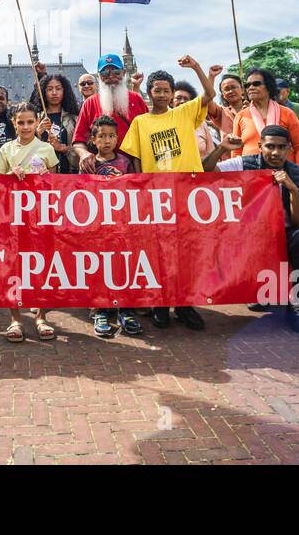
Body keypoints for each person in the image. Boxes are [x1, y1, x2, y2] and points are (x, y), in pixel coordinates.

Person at [120, 56, 217, 331]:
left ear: (172, 93)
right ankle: (161, 303)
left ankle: (185, 304)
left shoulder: (184, 112)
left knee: (187, 251)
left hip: (187, 195)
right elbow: (136, 158)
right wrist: (142, 187)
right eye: (157, 90)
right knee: (160, 252)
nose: (161, 94)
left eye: (166, 90)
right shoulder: (140, 121)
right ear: (149, 93)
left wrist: (197, 67)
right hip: (157, 197)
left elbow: (210, 93)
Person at [205, 125, 299, 334]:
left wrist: (293, 190)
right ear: (260, 146)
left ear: (289, 150)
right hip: (250, 235)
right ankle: (260, 292)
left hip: (285, 233)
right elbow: (206, 171)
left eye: (281, 147)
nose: (275, 153)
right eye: (270, 146)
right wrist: (221, 148)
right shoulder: (244, 163)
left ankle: (297, 303)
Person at [0, 103, 60, 342]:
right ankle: (16, 318)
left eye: (30, 122)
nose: (25, 126)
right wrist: (11, 176)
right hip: (13, 217)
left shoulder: (46, 148)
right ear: (14, 123)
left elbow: (56, 184)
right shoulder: (5, 150)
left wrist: (44, 179)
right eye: (20, 122)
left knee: (41, 264)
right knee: (13, 266)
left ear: (37, 122)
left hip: (40, 217)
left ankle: (41, 317)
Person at [82, 115, 141, 339]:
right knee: (100, 267)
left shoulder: (125, 163)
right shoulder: (88, 164)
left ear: (117, 138)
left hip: (121, 226)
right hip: (97, 227)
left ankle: (126, 309)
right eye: (102, 136)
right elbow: (81, 193)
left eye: (111, 136)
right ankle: (101, 310)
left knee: (123, 265)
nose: (107, 140)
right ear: (93, 140)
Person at [71, 53, 149, 171]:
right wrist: (83, 154)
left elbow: (148, 135)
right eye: (105, 73)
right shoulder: (90, 103)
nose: (111, 76)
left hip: (134, 169)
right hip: (100, 170)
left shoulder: (137, 100)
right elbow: (78, 141)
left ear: (123, 73)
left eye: (116, 72)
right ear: (98, 76)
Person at [228, 68, 299, 165]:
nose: (251, 87)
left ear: (269, 87)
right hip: (250, 175)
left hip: (283, 174)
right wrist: (239, 176)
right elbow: (236, 150)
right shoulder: (241, 116)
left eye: (256, 84)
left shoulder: (287, 113)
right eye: (247, 85)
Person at [29, 64, 81, 173]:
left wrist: (63, 148)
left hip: (70, 176)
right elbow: (24, 149)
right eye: (49, 89)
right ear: (44, 92)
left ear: (64, 91)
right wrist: (37, 133)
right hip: (42, 175)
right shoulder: (37, 118)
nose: (54, 93)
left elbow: (82, 151)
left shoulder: (74, 118)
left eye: (58, 89)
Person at [174, 76, 221, 160]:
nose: (182, 101)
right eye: (178, 98)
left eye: (186, 99)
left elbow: (211, 154)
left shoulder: (201, 124)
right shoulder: (164, 122)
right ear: (171, 101)